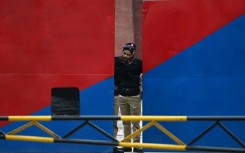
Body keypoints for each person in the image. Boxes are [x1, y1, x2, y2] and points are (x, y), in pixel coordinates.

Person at [114, 43, 143, 152]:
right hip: (122, 95)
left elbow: (137, 78)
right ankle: (126, 144)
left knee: (135, 121)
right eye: (124, 53)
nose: (125, 56)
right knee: (125, 122)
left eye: (128, 54)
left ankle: (136, 145)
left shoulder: (139, 63)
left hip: (134, 95)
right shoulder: (118, 62)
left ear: (133, 53)